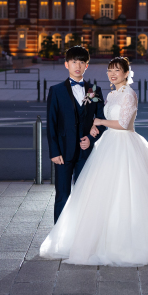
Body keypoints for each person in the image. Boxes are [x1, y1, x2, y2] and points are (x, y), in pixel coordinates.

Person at [40, 56, 148, 266]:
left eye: (117, 70)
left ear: (126, 73)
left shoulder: (129, 94)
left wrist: (100, 121)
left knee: (129, 193)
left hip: (126, 145)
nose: (113, 74)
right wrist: (95, 128)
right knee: (100, 194)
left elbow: (123, 124)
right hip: (107, 145)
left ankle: (129, 242)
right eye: (110, 70)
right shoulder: (111, 94)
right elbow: (96, 120)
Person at [45, 46, 106, 223]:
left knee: (84, 196)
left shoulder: (94, 90)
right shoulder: (56, 91)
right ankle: (60, 237)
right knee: (62, 196)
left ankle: (79, 237)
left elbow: (102, 119)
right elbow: (52, 123)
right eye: (74, 62)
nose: (77, 65)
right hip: (63, 153)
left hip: (86, 154)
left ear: (87, 65)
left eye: (81, 62)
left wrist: (92, 136)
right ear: (66, 64)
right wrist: (54, 151)